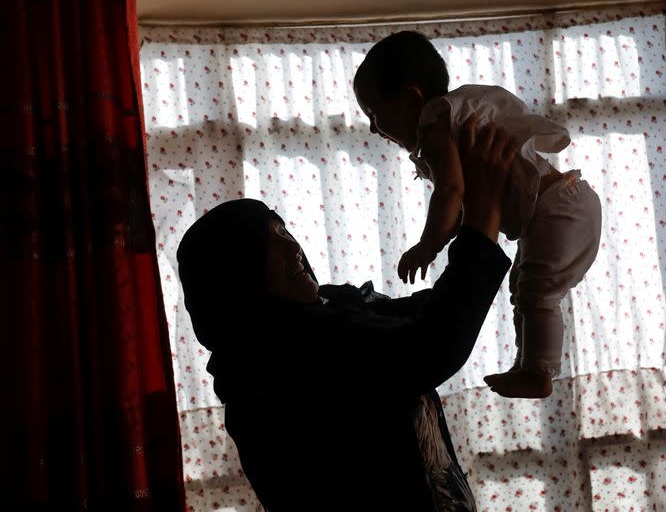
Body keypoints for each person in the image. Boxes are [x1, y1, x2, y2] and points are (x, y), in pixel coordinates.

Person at [176, 122, 515, 511]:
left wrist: (474, 224)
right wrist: (483, 223)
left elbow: (429, 312)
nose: (292, 245)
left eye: (284, 230)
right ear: (238, 275)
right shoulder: (278, 356)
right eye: (269, 242)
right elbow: (429, 347)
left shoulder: (326, 311)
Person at [353, 30, 602, 399]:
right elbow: (461, 208)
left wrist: (427, 245)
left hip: (558, 207)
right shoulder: (450, 121)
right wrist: (444, 236)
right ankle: (530, 366)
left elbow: (450, 191)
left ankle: (539, 373)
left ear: (410, 98)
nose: (373, 128)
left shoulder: (437, 122)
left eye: (375, 113)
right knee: (526, 291)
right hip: (562, 207)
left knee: (536, 293)